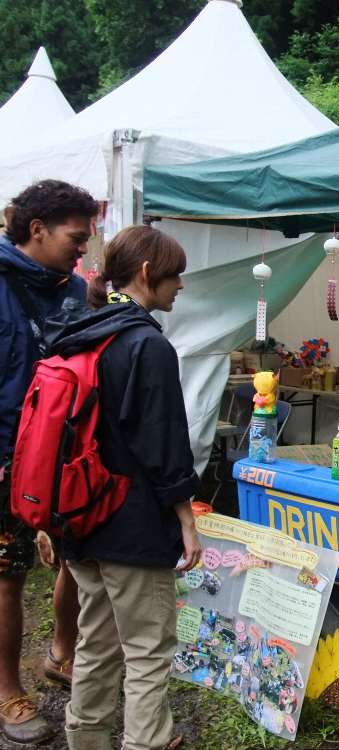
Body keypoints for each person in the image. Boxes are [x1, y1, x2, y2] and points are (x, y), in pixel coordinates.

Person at [48, 224, 202, 750]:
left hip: (81, 518)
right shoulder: (146, 345)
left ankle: (85, 738)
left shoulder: (82, 333)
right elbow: (164, 444)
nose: (180, 285)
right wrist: (186, 519)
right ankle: (146, 743)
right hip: (132, 525)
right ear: (146, 273)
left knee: (96, 642)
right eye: (175, 275)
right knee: (148, 649)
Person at [0, 180, 98, 743]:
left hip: (67, 456)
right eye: (76, 237)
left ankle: (62, 653)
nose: (82, 249)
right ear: (36, 230)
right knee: (7, 576)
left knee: (75, 560)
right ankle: (8, 691)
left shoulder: (75, 289)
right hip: (5, 458)